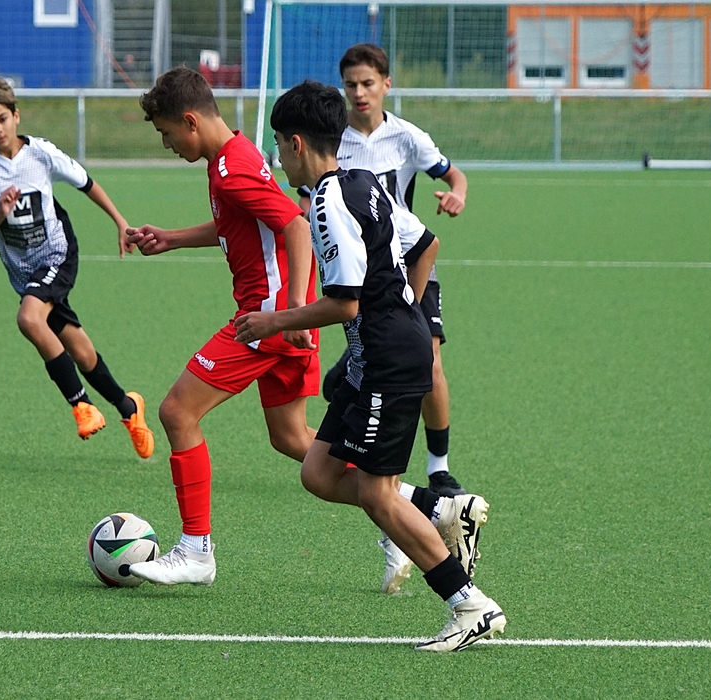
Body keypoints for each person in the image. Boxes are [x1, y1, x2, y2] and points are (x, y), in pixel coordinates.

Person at [235, 80, 505, 652]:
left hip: (387, 362)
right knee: (318, 473)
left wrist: (275, 321)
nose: (278, 157)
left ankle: (469, 605)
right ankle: (441, 508)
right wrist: (406, 314)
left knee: (379, 495)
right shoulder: (363, 182)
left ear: (297, 143)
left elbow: (346, 303)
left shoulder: (328, 203)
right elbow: (425, 242)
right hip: (375, 357)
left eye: (278, 145)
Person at [123, 67, 321, 586]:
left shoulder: (231, 168)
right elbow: (241, 222)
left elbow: (296, 226)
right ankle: (417, 506)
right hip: (277, 317)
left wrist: (290, 313)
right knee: (293, 438)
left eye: (167, 133)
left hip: (266, 319)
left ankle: (196, 550)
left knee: (176, 411)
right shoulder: (231, 157)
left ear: (190, 121)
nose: (166, 144)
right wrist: (172, 238)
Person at [302, 43, 468, 499]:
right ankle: (375, 470)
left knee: (429, 362)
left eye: (368, 83)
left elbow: (454, 176)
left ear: (386, 85)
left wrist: (456, 194)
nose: (359, 93)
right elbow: (311, 204)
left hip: (411, 261)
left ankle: (439, 470)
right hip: (366, 273)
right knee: (380, 362)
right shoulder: (333, 143)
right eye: (350, 84)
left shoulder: (408, 137)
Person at [0, 78, 153, 459]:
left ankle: (82, 405)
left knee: (29, 319)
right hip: (24, 273)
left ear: (16, 116)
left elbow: (86, 183)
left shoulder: (41, 154)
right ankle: (129, 407)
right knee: (81, 352)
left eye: (2, 119)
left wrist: (120, 222)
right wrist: (0, 212)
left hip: (57, 254)